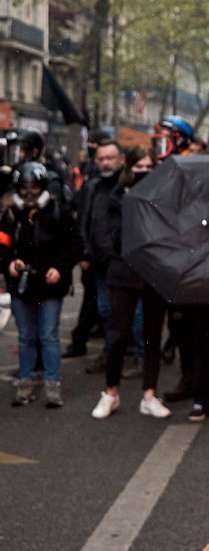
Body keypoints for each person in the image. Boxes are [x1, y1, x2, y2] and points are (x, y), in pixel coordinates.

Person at [91, 146, 171, 419]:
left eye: (149, 168)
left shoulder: (161, 198)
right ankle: (110, 392)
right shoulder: (114, 197)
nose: (144, 173)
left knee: (151, 336)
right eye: (139, 168)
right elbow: (104, 236)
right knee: (117, 335)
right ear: (129, 168)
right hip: (123, 275)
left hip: (152, 275)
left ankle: (149, 394)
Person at [3, 162, 82, 407]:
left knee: (48, 336)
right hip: (21, 286)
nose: (29, 192)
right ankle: (25, 382)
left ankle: (52, 384)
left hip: (49, 285)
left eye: (34, 187)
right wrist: (8, 263)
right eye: (24, 187)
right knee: (26, 336)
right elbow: (2, 245)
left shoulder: (58, 211)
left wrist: (60, 268)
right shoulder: (9, 214)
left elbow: (74, 244)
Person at [78, 141, 126, 374]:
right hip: (98, 261)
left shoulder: (125, 186)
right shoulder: (92, 186)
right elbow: (85, 220)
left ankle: (135, 355)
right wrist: (85, 251)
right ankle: (109, 353)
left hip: (122, 260)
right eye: (101, 159)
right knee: (106, 310)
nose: (105, 163)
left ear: (120, 160)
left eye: (110, 158)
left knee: (129, 313)